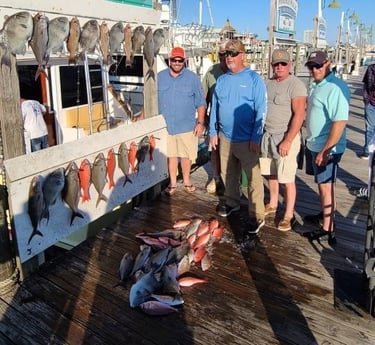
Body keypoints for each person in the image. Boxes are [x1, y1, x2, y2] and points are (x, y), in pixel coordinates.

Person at [209, 39, 267, 234]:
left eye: (233, 54)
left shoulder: (254, 79)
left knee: (253, 178)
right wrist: (212, 132)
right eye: (226, 54)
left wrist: (256, 136)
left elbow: (261, 109)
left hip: (247, 139)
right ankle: (232, 201)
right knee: (228, 174)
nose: (229, 57)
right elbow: (214, 109)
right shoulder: (222, 80)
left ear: (242, 55)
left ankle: (257, 214)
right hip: (225, 137)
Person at [303, 51, 351, 244]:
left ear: (328, 64)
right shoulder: (318, 84)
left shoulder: (334, 87)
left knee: (326, 186)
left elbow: (339, 122)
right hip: (316, 143)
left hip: (327, 148)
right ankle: (325, 215)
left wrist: (326, 150)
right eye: (311, 66)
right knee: (322, 184)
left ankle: (328, 228)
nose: (315, 70)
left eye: (319, 66)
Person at [260, 49, 307, 231]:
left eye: (283, 64)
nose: (279, 67)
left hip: (286, 136)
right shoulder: (268, 84)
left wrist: (288, 140)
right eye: (276, 64)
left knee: (286, 178)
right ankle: (272, 203)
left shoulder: (296, 85)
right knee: (271, 173)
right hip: (268, 135)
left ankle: (288, 214)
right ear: (272, 66)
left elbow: (300, 114)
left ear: (290, 64)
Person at [157, 46, 206, 195]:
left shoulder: (192, 78)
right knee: (171, 157)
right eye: (174, 60)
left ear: (184, 61)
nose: (177, 62)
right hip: (166, 127)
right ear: (169, 60)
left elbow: (201, 103)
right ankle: (172, 183)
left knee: (186, 157)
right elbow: (152, 100)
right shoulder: (160, 76)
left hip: (186, 126)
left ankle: (186, 181)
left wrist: (200, 123)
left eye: (180, 60)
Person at [202, 40, 228, 194]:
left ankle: (231, 181)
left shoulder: (239, 72)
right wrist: (203, 118)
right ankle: (216, 177)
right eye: (221, 54)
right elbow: (203, 98)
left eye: (227, 54)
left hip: (234, 124)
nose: (224, 57)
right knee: (215, 152)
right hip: (215, 123)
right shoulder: (211, 72)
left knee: (232, 154)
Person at [359, 63, 375, 159]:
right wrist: (366, 100)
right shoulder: (371, 68)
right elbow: (365, 84)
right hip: (370, 103)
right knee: (369, 128)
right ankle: (367, 151)